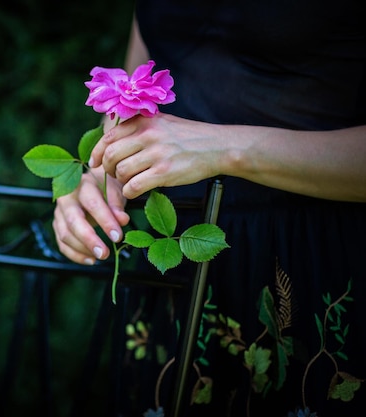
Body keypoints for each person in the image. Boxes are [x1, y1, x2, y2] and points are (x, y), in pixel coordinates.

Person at [52, 1, 366, 416]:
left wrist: (225, 148)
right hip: (174, 258)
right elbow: (136, 86)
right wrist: (97, 170)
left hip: (314, 262)